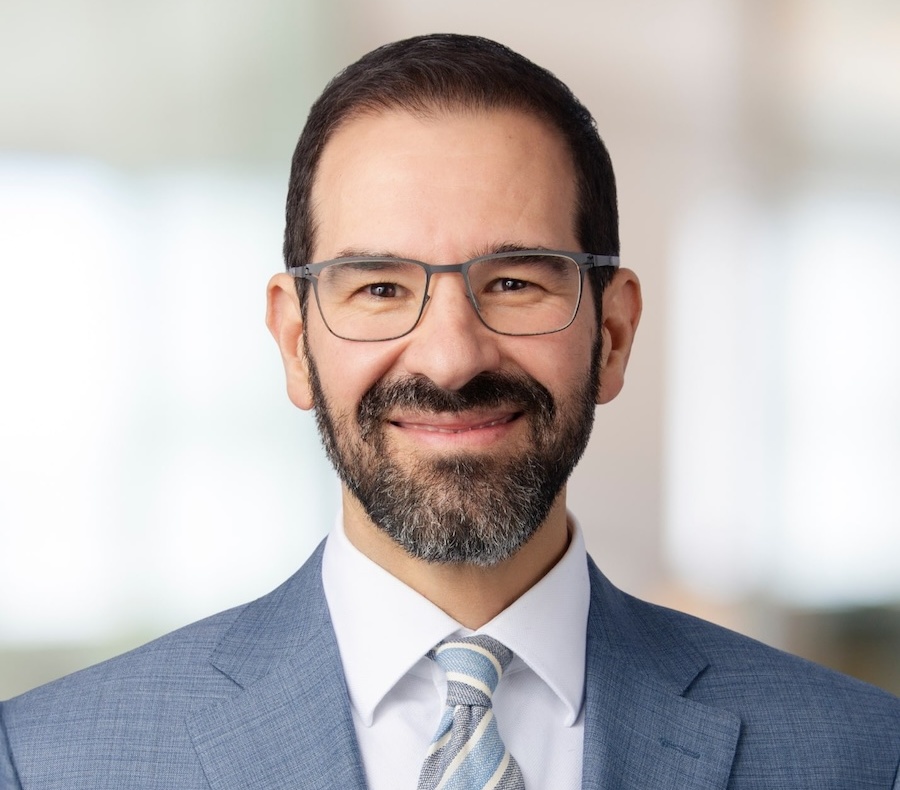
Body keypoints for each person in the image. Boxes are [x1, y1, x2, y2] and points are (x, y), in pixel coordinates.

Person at [1, 33, 898, 790]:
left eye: (512, 282)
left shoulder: (859, 755)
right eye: (381, 287)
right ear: (293, 340)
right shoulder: (48, 763)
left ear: (614, 334)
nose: (451, 358)